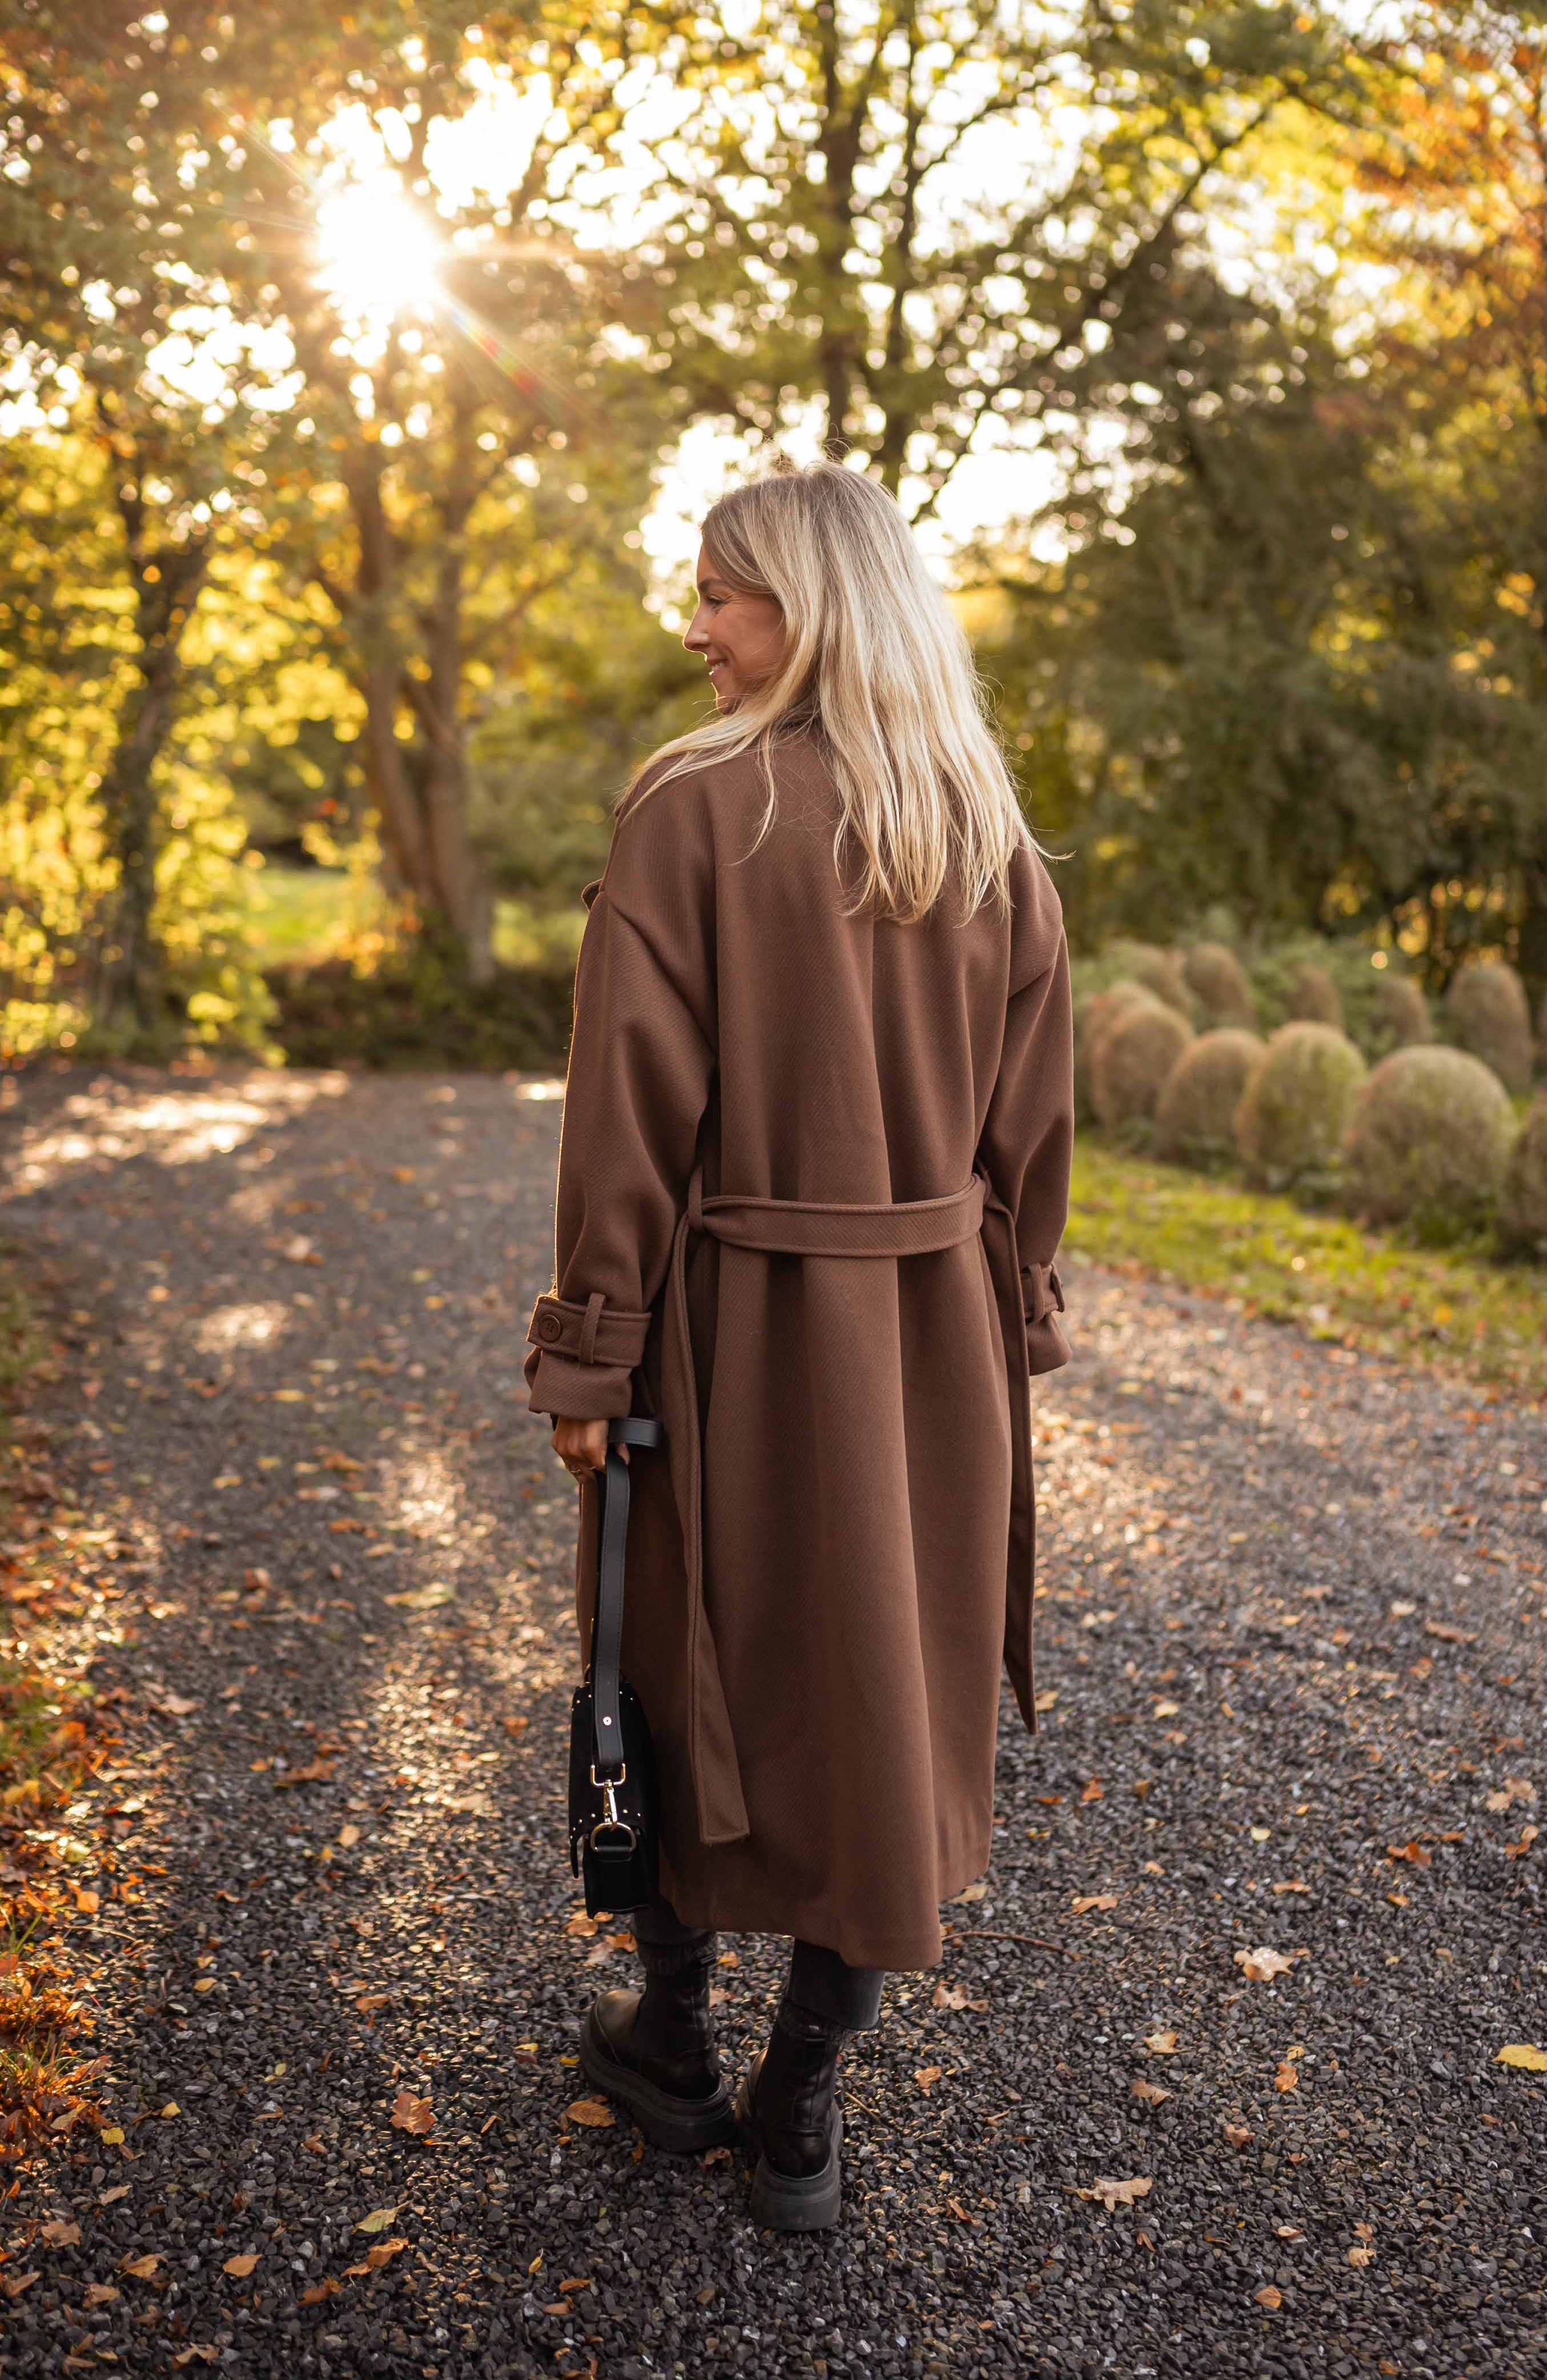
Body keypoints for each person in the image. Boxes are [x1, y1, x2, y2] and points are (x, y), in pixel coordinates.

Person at [524, 456, 1074, 2232]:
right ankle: (800, 2102)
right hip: (932, 1347)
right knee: (885, 1700)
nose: (693, 628)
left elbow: (626, 1116)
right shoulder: (983, 832)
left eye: (720, 592)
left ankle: (680, 2044)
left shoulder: (693, 809)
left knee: (681, 1659)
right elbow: (1032, 1134)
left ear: (811, 605)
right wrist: (1015, 1311)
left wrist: (594, 1354)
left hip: (734, 1338)